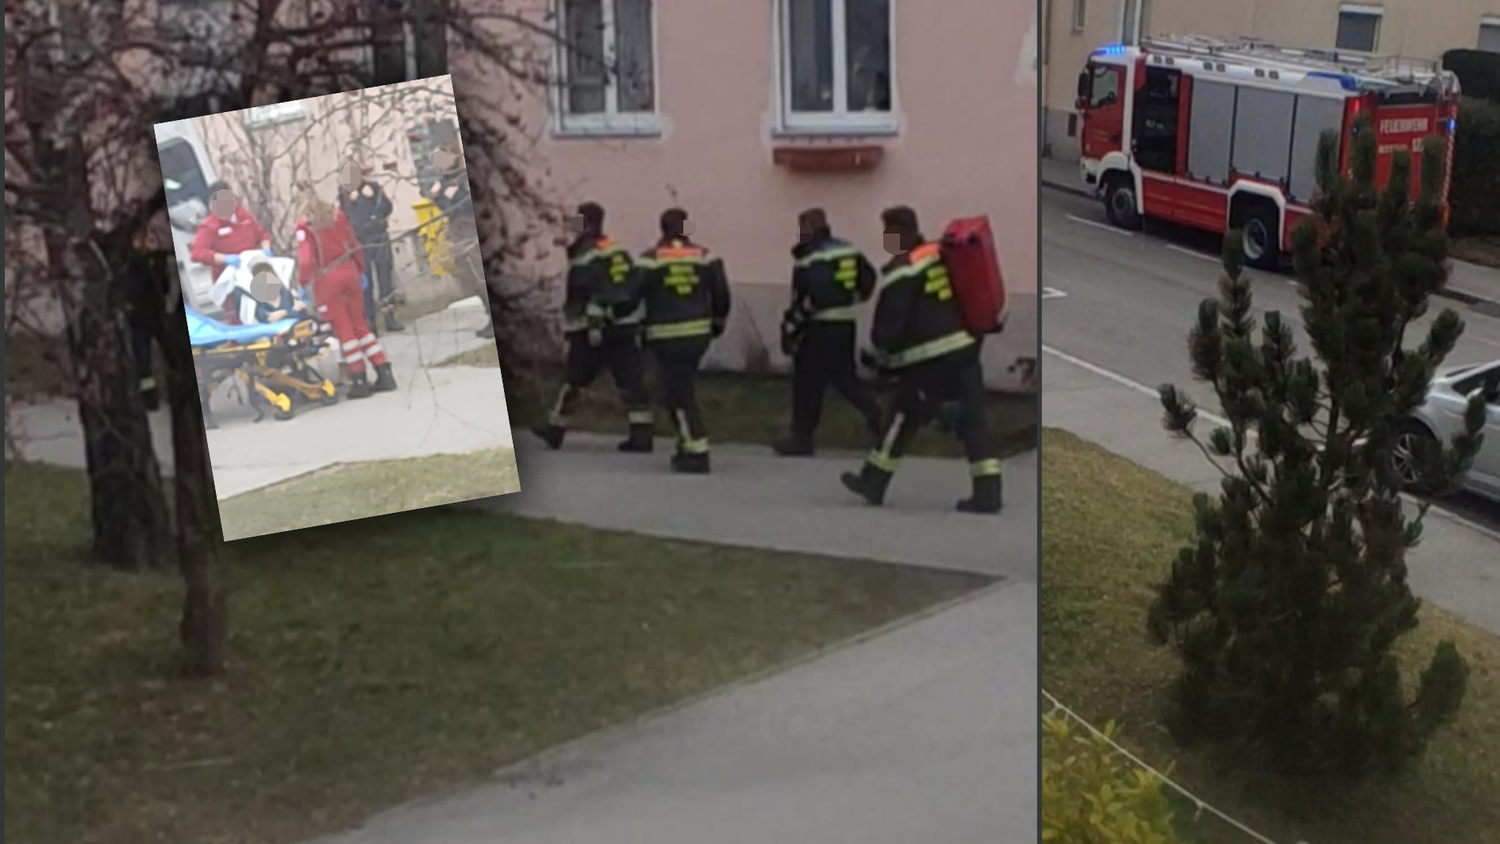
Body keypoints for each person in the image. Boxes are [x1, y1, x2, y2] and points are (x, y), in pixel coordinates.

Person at [840, 206, 1002, 514]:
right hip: (965, 349)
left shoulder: (901, 271)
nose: (886, 240)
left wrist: (878, 358)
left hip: (930, 359)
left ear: (899, 233)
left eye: (888, 234)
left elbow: (889, 331)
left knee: (903, 416)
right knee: (974, 421)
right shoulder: (940, 252)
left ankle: (873, 482)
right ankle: (988, 493)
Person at [532, 201, 655, 453]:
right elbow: (630, 287)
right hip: (623, 327)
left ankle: (555, 429)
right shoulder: (616, 250)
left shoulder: (587, 255)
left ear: (586, 222)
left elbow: (590, 292)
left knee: (575, 380)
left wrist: (592, 323)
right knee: (631, 382)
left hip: (593, 331)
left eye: (578, 220)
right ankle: (642, 435)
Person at [773, 207, 883, 456]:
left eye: (802, 229)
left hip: (818, 327)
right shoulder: (848, 250)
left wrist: (791, 328)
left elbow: (810, 298)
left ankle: (801, 438)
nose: (799, 234)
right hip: (845, 323)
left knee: (808, 382)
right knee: (845, 377)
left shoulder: (810, 258)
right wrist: (851, 299)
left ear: (810, 229)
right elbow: (868, 279)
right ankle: (874, 410)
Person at [629, 208, 731, 474]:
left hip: (666, 335)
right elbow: (721, 292)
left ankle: (697, 450)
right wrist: (718, 321)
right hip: (698, 334)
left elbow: (630, 296)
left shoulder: (651, 259)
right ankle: (687, 443)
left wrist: (617, 314)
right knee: (679, 389)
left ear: (662, 228)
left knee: (677, 394)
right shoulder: (706, 257)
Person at [295, 190, 397, 399]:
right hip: (349, 270)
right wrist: (359, 269)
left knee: (344, 331)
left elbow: (306, 261)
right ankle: (383, 370)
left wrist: (303, 282)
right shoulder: (338, 215)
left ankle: (358, 378)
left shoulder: (305, 226)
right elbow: (353, 244)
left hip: (327, 279)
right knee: (360, 324)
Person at [424, 144, 490, 338]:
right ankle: (488, 314)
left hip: (470, 230)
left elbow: (464, 207)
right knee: (470, 276)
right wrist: (440, 197)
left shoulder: (463, 177)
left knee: (479, 274)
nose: (439, 164)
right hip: (457, 232)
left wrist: (451, 195)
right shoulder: (445, 182)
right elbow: (448, 210)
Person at [189, 180, 272, 322]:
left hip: (254, 273)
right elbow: (197, 253)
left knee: (267, 309)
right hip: (230, 283)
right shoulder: (210, 226)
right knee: (239, 318)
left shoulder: (243, 216)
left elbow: (262, 235)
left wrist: (266, 250)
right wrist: (224, 258)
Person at [337, 159, 405, 334]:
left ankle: (390, 318)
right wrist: (351, 203)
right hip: (360, 244)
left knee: (385, 281)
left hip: (379, 237)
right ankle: (370, 322)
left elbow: (387, 208)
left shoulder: (373, 187)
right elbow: (343, 220)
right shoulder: (344, 195)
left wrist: (373, 197)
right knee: (366, 284)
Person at [124, 224, 173, 412]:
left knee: (169, 355)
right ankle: (150, 400)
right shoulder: (130, 264)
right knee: (144, 364)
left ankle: (170, 392)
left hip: (154, 316)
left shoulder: (156, 261)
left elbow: (165, 286)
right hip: (140, 319)